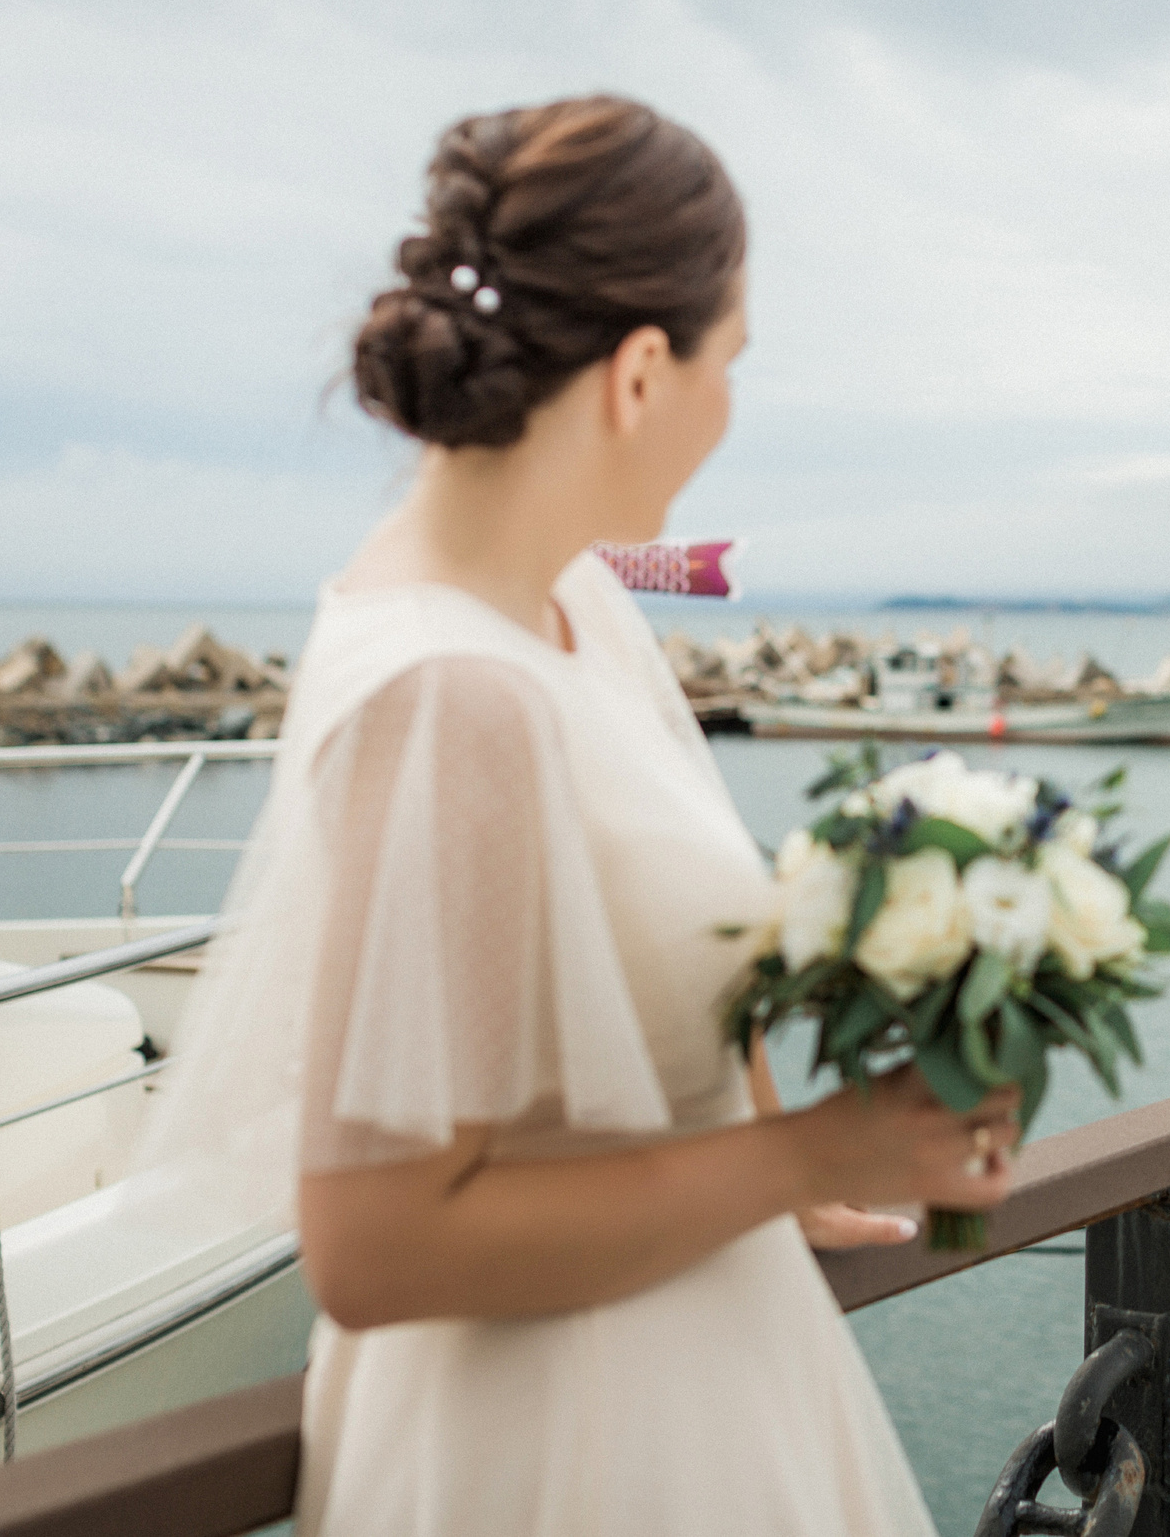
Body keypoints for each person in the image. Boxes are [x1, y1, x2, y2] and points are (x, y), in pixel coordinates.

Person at [139, 94, 1019, 1536]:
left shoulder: (573, 602)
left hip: (704, 1369)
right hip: (558, 1438)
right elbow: (377, 1241)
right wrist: (815, 1153)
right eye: (730, 363)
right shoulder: (446, 692)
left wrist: (772, 1169)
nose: (728, 410)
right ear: (639, 370)